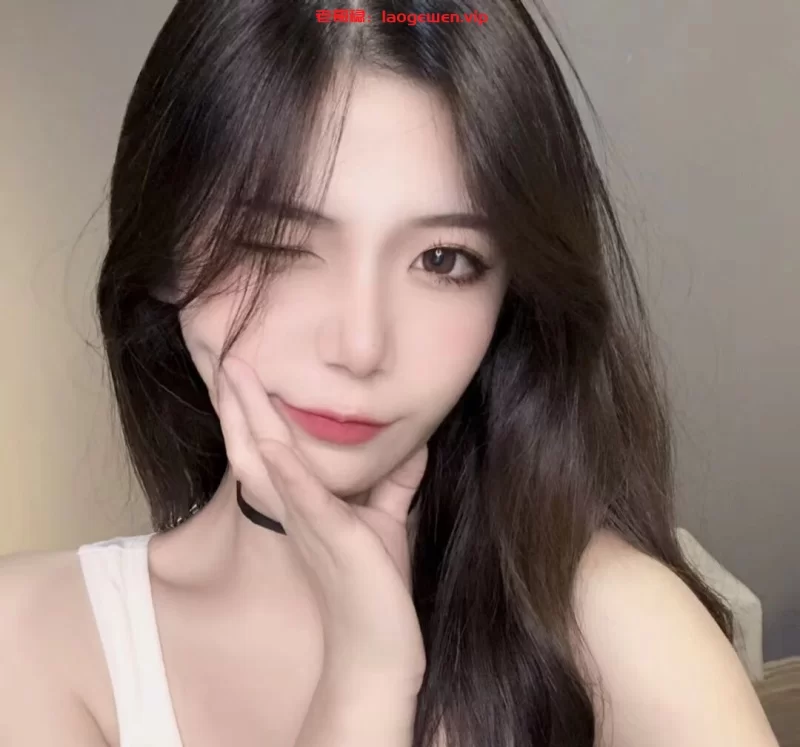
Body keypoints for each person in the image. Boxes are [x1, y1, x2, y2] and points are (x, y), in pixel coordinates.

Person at [0, 1, 779, 746]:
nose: (361, 344)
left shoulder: (617, 629)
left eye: (443, 259)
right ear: (166, 254)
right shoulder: (31, 641)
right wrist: (364, 678)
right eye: (274, 244)